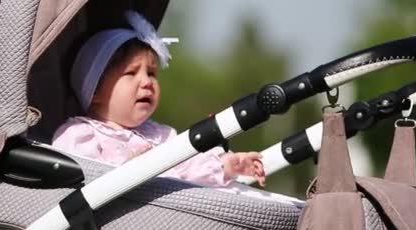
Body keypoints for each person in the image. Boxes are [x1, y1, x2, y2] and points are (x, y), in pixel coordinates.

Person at [52, 10, 266, 187]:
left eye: (152, 73)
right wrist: (127, 169)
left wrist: (228, 165)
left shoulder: (162, 136)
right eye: (131, 73)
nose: (146, 82)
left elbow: (190, 168)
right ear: (95, 89)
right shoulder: (81, 135)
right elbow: (74, 181)